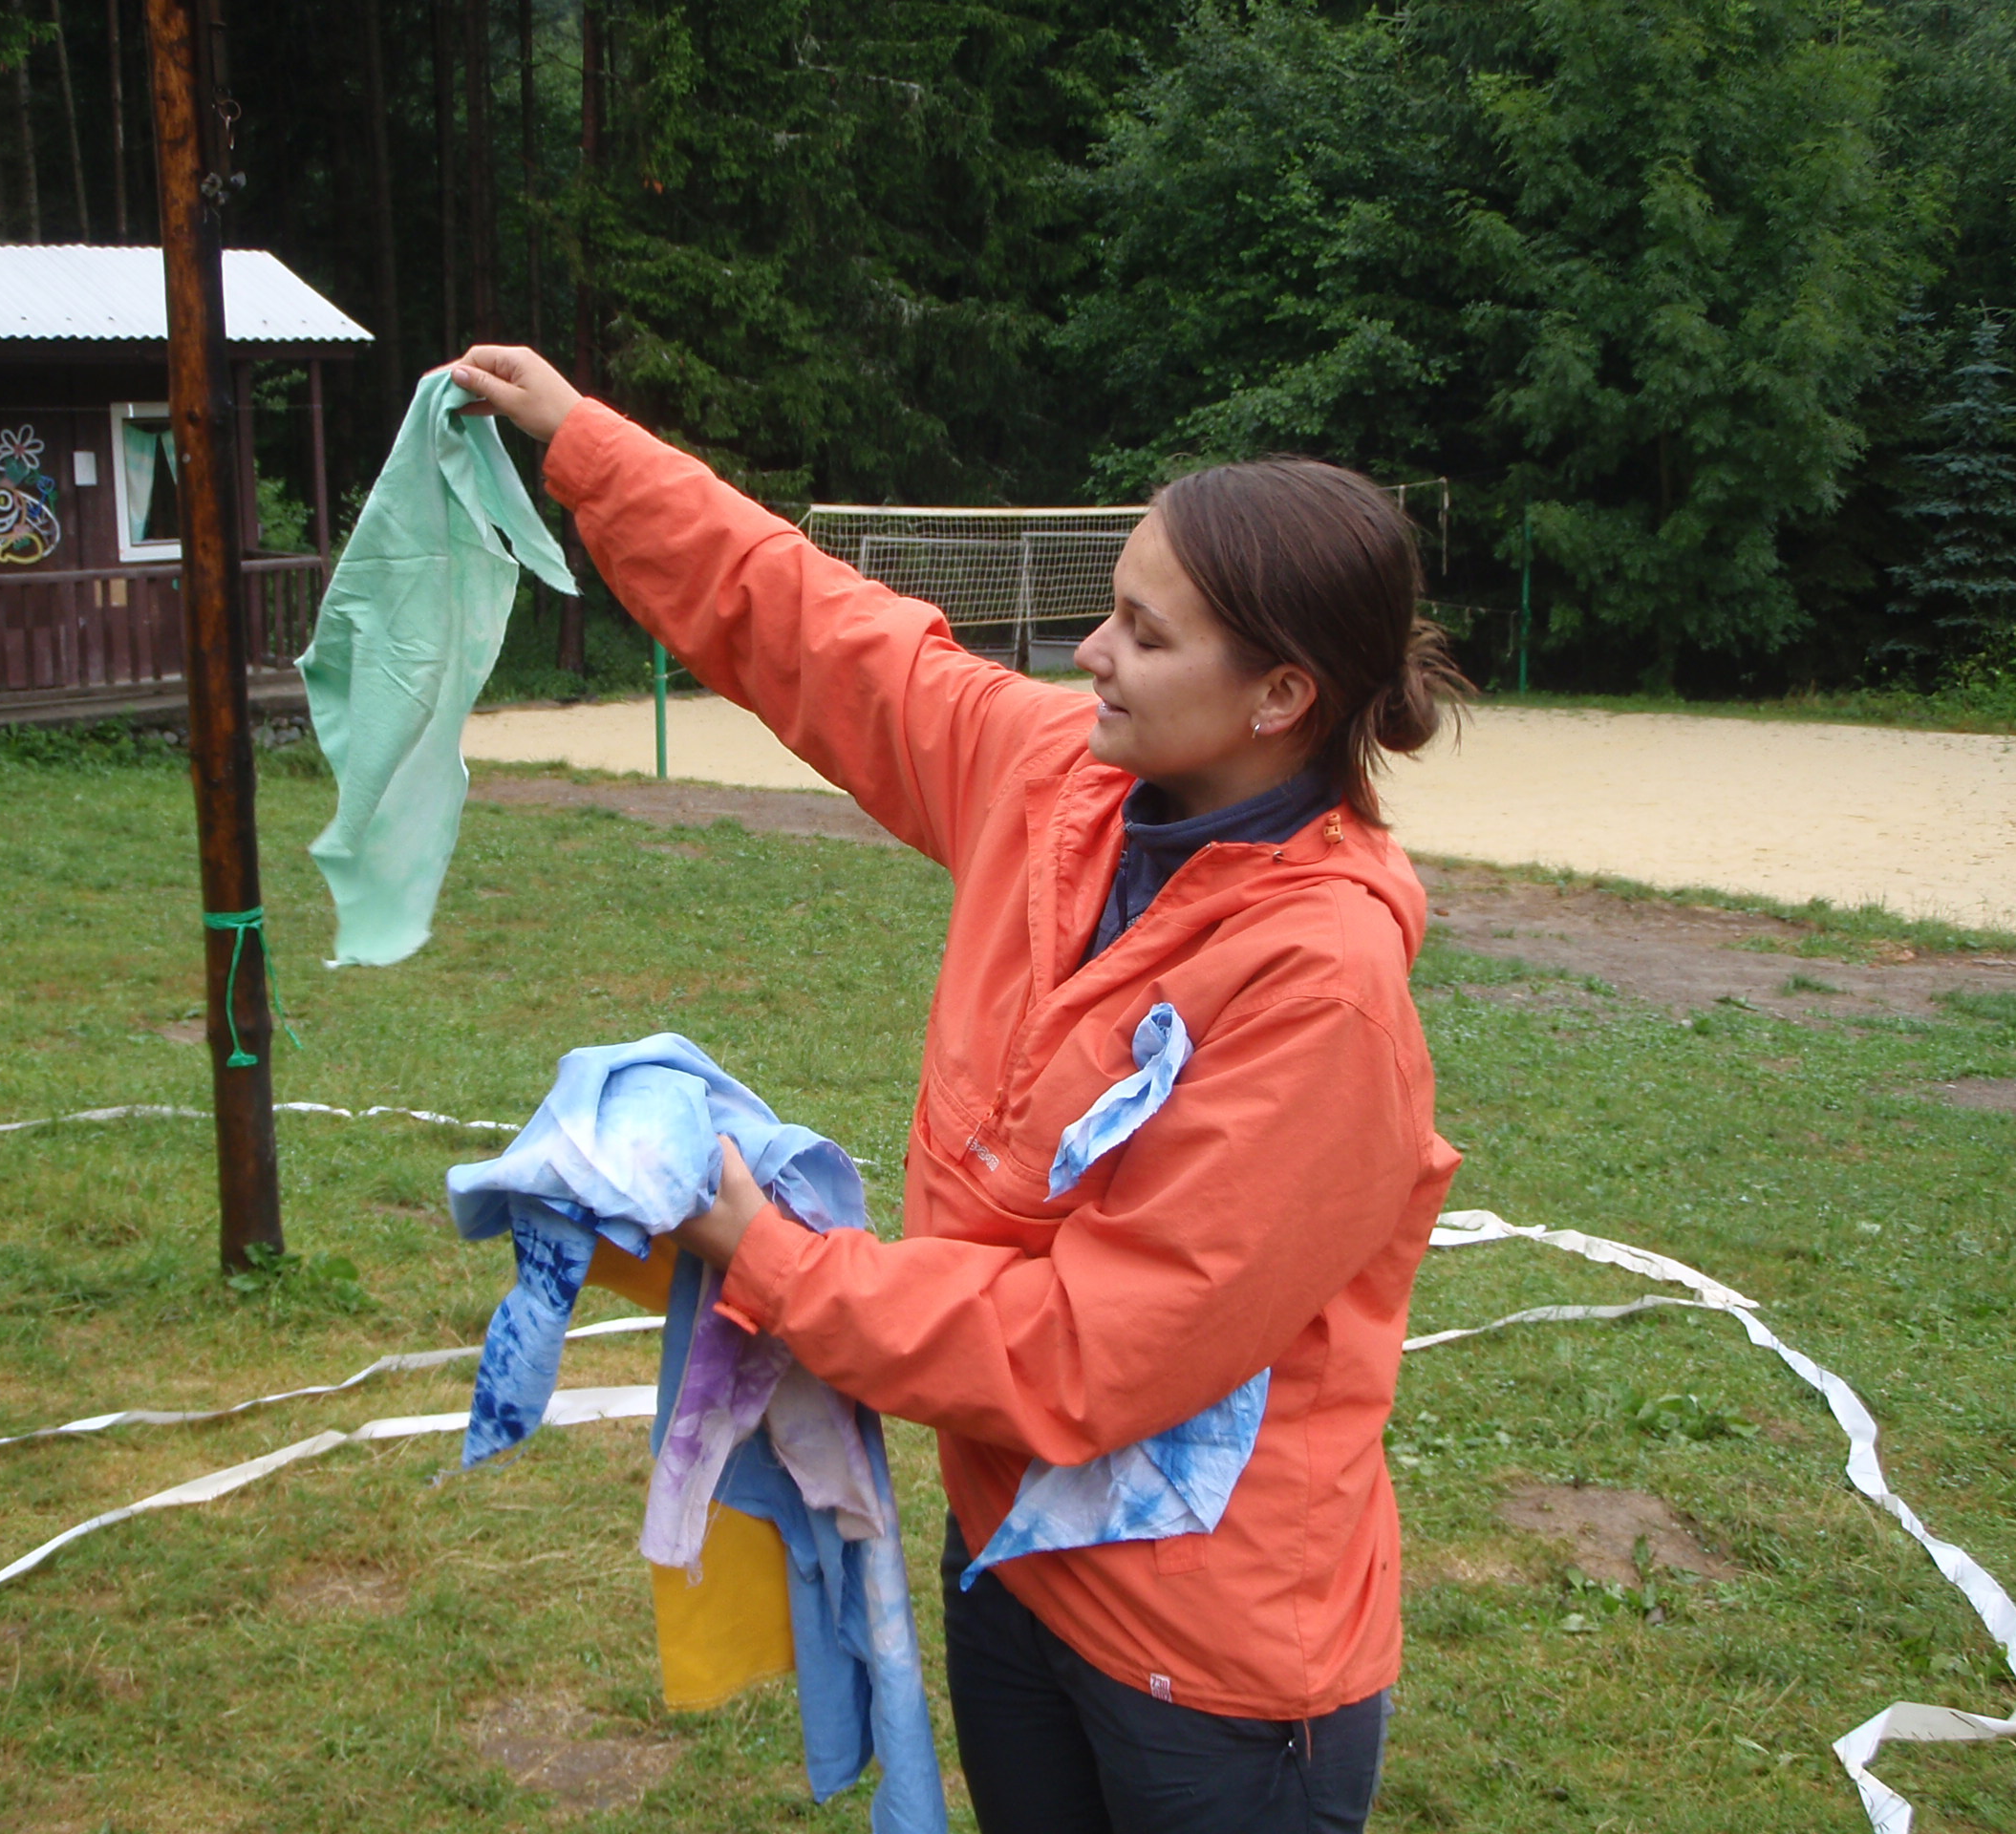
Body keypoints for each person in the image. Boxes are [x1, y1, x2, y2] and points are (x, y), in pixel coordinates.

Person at [449, 342, 1467, 1834]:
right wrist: (586, 445)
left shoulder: (1324, 990)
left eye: (1143, 633)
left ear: (1281, 696)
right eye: (1111, 609)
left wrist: (773, 1259)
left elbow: (1090, 1350)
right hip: (1009, 1567)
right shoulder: (1064, 779)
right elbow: (823, 635)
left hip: (1211, 1671)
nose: (1089, 654)